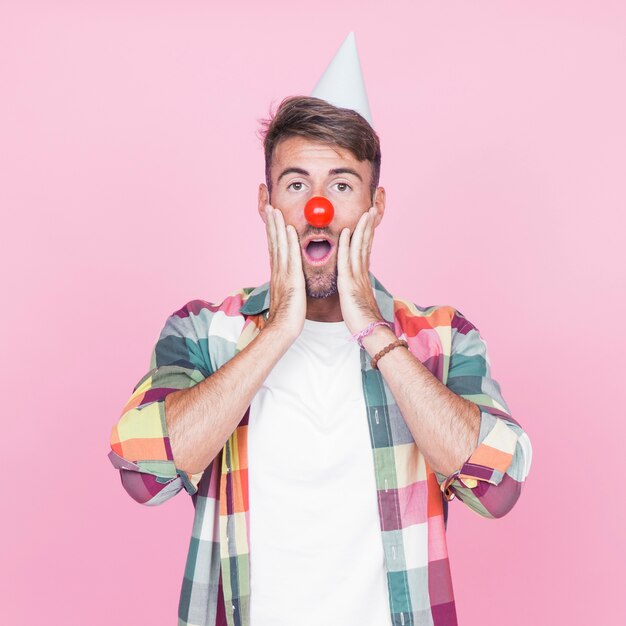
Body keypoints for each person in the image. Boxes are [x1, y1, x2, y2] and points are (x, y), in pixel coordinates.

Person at [109, 38, 532, 626]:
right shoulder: (205, 332)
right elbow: (142, 473)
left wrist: (373, 331)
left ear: (374, 206)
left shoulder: (442, 338)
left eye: (340, 184)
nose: (318, 209)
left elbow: (498, 488)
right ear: (266, 204)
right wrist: (278, 329)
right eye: (296, 183)